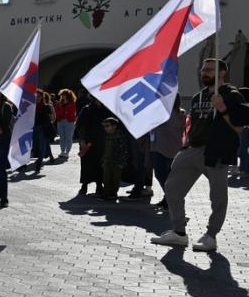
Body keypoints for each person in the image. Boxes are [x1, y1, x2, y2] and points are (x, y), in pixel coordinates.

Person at [152, 59, 249, 252]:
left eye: (209, 69)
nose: (204, 72)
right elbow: (193, 125)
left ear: (222, 73)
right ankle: (179, 233)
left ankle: (211, 236)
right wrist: (185, 146)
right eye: (203, 69)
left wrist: (223, 109)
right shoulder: (198, 97)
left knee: (218, 197)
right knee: (172, 188)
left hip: (216, 152)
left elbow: (238, 128)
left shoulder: (232, 95)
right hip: (192, 150)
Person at [150, 97, 186, 211]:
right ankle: (168, 199)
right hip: (159, 148)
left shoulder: (179, 114)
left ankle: (173, 200)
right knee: (161, 175)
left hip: (172, 150)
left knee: (168, 177)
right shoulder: (162, 112)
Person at [75, 97, 108, 196]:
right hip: (88, 141)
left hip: (102, 141)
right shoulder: (87, 109)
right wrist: (82, 140)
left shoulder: (105, 110)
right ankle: (84, 186)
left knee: (100, 163)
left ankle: (99, 185)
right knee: (86, 164)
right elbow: (80, 125)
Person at [0, 88, 15, 208]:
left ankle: (4, 197)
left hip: (2, 140)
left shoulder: (6, 107)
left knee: (0, 169)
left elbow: (4, 125)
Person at [98, 118, 132, 201]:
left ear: (114, 126)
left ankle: (113, 194)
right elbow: (104, 149)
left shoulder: (120, 136)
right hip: (107, 160)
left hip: (116, 162)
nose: (105, 128)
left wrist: (122, 162)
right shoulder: (106, 135)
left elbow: (124, 150)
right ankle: (106, 193)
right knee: (106, 178)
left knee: (115, 179)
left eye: (107, 126)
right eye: (104, 126)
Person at [54, 89, 78, 160]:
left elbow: (72, 113)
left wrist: (64, 114)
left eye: (64, 95)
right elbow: (56, 112)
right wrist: (63, 114)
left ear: (68, 95)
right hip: (60, 121)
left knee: (68, 137)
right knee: (62, 137)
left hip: (69, 122)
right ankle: (62, 151)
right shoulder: (59, 103)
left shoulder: (72, 103)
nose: (63, 96)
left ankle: (67, 152)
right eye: (62, 95)